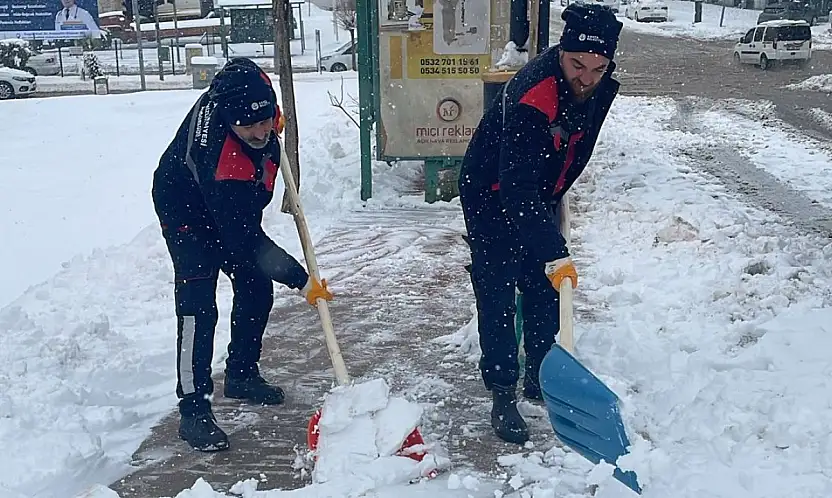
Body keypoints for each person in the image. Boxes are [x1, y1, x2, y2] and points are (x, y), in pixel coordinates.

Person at [458, 4, 622, 445]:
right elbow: (516, 186)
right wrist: (553, 248)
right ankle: (502, 390)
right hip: (491, 192)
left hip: (538, 191)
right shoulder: (535, 93)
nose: (586, 77)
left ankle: (541, 375)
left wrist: (549, 240)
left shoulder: (594, 86)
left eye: (598, 68)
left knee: (543, 286)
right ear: (562, 52)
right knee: (497, 289)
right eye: (577, 64)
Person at [152, 57, 333, 452]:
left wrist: (271, 121)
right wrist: (301, 280)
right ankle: (194, 409)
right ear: (228, 119)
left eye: (266, 119)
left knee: (255, 288)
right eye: (248, 125)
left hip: (227, 206)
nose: (260, 130)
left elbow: (247, 73)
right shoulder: (223, 161)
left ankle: (241, 374)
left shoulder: (249, 91)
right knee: (198, 305)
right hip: (185, 209)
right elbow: (246, 240)